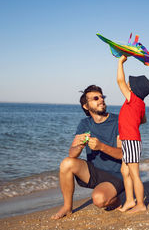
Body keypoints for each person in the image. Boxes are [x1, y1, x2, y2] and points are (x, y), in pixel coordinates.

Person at [51, 85, 124, 220]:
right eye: (96, 98)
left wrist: (101, 147)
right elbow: (72, 154)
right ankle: (67, 207)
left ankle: (116, 200)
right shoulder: (85, 124)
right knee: (66, 163)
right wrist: (79, 146)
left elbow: (123, 154)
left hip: (117, 174)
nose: (101, 100)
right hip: (94, 172)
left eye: (102, 97)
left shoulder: (118, 120)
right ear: (86, 106)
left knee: (99, 200)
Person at [116, 55, 149, 213]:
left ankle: (140, 204)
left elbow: (119, 81)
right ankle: (130, 200)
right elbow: (143, 120)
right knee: (124, 171)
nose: (127, 83)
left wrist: (120, 62)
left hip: (131, 140)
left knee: (134, 174)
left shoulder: (132, 99)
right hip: (128, 140)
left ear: (133, 89)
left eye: (130, 82)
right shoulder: (140, 104)